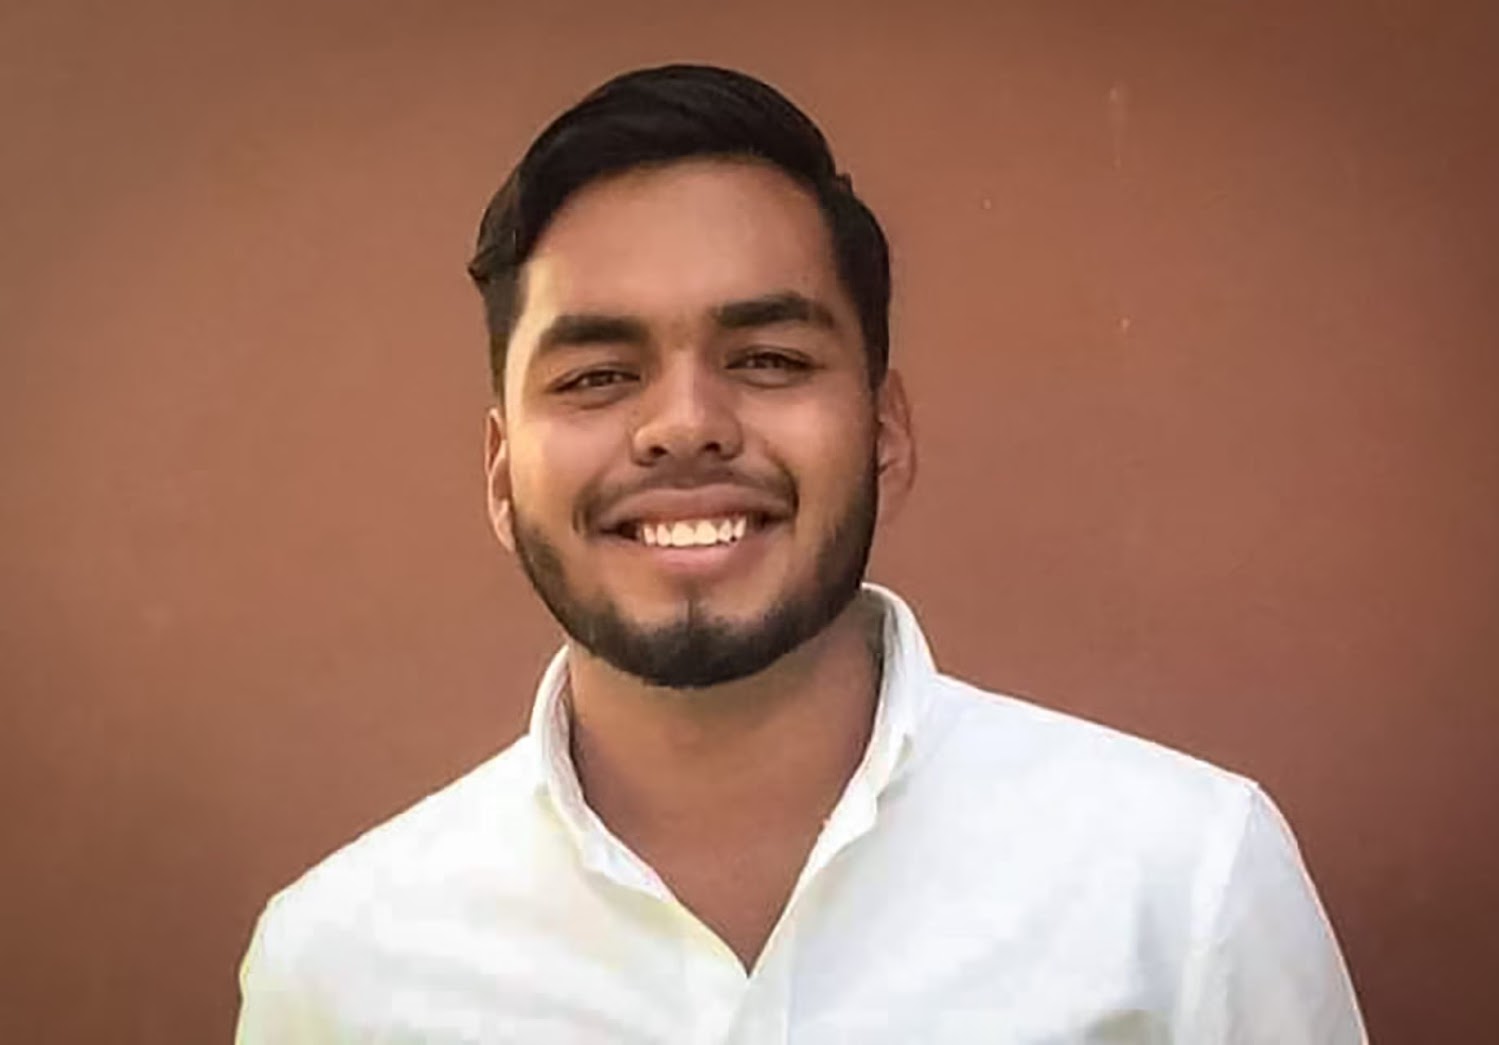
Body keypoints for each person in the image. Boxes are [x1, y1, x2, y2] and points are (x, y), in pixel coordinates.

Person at [235, 64, 1366, 1043]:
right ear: (500, 473)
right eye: (597, 375)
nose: (685, 424)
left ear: (885, 433)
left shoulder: (1184, 885)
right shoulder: (339, 968)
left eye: (769, 359)